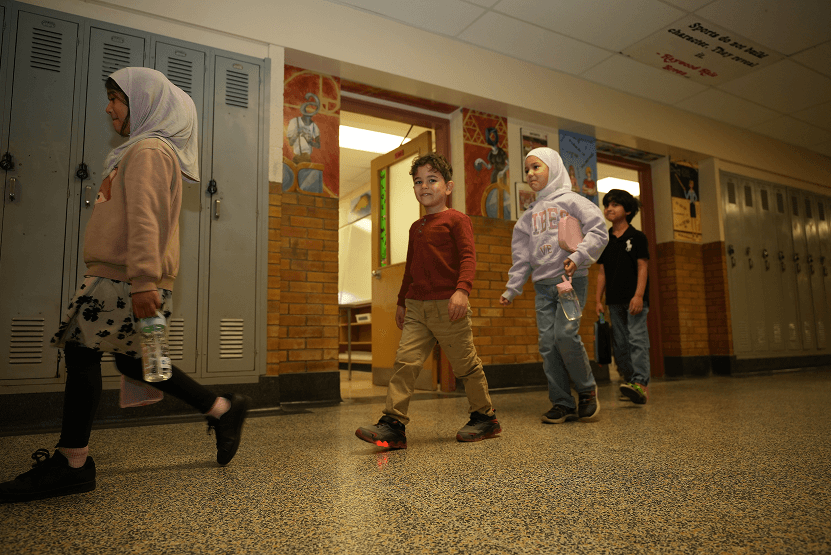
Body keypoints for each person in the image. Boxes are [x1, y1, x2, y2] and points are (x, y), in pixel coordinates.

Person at [0, 68, 250, 503]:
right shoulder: (144, 150)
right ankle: (222, 410)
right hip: (127, 277)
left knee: (82, 353)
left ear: (148, 105)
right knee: (138, 363)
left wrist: (143, 281)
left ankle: (72, 463)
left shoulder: (150, 150)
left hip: (124, 278)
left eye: (118, 98)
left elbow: (145, 219)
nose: (108, 107)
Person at [356, 153, 500, 449]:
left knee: (465, 365)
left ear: (447, 187)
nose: (425, 186)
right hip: (417, 307)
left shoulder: (457, 220)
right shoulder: (415, 227)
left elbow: (468, 257)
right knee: (405, 363)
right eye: (418, 181)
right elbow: (410, 267)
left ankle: (484, 417)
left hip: (450, 305)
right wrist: (401, 301)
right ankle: (393, 424)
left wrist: (462, 290)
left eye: (432, 180)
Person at [500, 148, 608, 424]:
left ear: (554, 168)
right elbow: (522, 256)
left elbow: (598, 230)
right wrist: (512, 288)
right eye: (527, 170)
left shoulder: (573, 201)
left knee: (565, 335)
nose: (530, 174)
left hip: (570, 282)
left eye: (536, 167)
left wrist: (578, 256)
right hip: (543, 288)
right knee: (547, 343)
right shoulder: (528, 216)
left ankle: (586, 391)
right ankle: (562, 401)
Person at [595, 189, 651, 404]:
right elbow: (601, 272)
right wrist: (597, 299)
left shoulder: (637, 237)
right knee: (620, 343)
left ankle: (640, 383)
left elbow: (642, 267)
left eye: (615, 204)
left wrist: (638, 295)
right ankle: (630, 382)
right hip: (614, 300)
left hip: (634, 300)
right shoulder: (604, 239)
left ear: (627, 210)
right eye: (607, 204)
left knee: (637, 339)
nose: (609, 208)